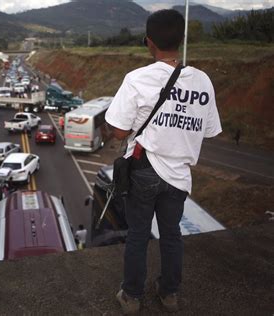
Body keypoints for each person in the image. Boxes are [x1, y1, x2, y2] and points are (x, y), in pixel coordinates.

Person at [105, 9, 222, 314]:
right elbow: (208, 130)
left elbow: (118, 129)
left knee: (138, 235)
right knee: (172, 235)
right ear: (182, 40)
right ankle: (169, 293)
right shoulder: (202, 81)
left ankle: (131, 297)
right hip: (179, 176)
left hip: (144, 170)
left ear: (149, 42)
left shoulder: (137, 79)